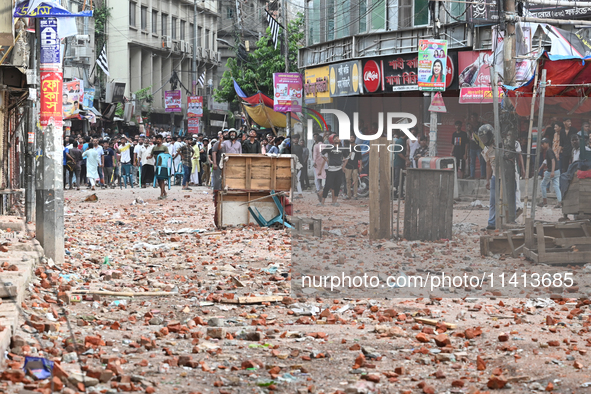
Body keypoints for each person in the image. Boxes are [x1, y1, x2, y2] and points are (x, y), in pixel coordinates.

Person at [318, 135, 345, 206]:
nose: (336, 139)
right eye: (335, 138)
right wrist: (327, 160)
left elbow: (347, 156)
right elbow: (321, 153)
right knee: (327, 185)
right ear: (333, 140)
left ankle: (334, 201)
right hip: (331, 169)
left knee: (337, 185)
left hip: (339, 169)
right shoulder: (329, 147)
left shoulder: (342, 148)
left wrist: (343, 165)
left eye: (338, 138)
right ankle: (322, 202)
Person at [538, 138, 562, 208]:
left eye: (543, 144)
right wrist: (540, 168)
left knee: (543, 185)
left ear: (547, 143)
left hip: (552, 171)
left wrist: (552, 171)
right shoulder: (548, 151)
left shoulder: (549, 151)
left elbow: (553, 161)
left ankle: (544, 202)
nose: (542, 145)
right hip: (557, 171)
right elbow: (546, 161)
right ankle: (560, 202)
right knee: (556, 186)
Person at [149, 134, 170, 199]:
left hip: (163, 166)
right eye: (157, 139)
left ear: (161, 140)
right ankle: (164, 193)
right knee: (159, 180)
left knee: (162, 180)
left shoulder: (164, 148)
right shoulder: (154, 148)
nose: (158, 140)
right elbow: (151, 155)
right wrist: (149, 157)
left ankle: (161, 194)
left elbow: (167, 156)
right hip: (157, 166)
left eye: (159, 139)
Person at [343, 135, 361, 199]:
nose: (351, 139)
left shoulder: (357, 147)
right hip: (347, 166)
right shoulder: (346, 147)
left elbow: (360, 157)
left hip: (355, 166)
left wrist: (360, 166)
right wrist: (343, 166)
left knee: (355, 181)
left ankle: (355, 195)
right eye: (350, 137)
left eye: (352, 137)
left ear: (355, 138)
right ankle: (348, 195)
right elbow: (343, 157)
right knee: (348, 180)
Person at [393, 132, 410, 199]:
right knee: (397, 179)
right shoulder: (401, 142)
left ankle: (400, 194)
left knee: (401, 179)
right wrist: (406, 159)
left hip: (400, 163)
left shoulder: (399, 141)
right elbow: (399, 153)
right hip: (398, 164)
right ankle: (394, 193)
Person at [312, 134, 326, 199]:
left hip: (317, 162)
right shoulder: (325, 146)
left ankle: (318, 189)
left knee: (317, 176)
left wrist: (314, 162)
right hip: (324, 162)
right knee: (324, 176)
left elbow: (314, 155)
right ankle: (323, 188)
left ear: (317, 140)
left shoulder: (315, 146)